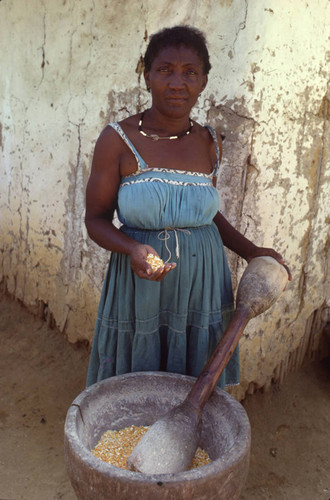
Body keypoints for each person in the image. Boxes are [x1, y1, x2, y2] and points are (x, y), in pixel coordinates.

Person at [85, 25, 291, 388]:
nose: (177, 83)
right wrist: (132, 248)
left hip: (204, 281)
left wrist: (252, 251)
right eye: (165, 70)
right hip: (140, 283)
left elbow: (205, 212)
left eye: (190, 72)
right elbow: (95, 220)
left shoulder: (209, 141)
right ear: (147, 75)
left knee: (194, 382)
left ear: (204, 81)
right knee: (136, 385)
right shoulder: (117, 140)